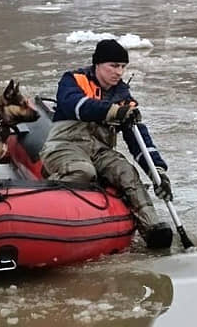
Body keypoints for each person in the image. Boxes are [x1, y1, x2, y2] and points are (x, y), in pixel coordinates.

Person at [40, 39, 174, 249]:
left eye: (122, 67)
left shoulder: (123, 97)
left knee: (126, 172)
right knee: (82, 171)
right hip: (65, 145)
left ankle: (153, 229)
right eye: (113, 66)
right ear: (98, 64)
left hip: (100, 150)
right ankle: (50, 202)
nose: (119, 72)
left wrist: (158, 171)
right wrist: (112, 112)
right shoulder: (72, 80)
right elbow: (77, 106)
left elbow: (138, 138)